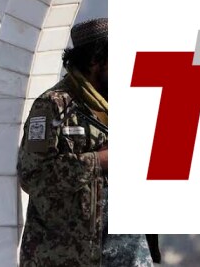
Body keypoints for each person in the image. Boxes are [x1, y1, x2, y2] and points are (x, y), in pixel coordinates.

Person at [17, 18, 157, 266]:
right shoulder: (53, 107)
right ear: (95, 61)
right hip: (70, 257)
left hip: (128, 254)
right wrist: (98, 161)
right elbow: (33, 177)